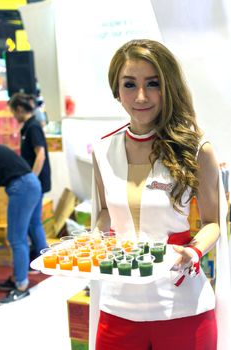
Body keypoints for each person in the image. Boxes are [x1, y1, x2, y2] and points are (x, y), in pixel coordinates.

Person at [92, 39, 230, 350]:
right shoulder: (102, 150)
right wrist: (92, 241)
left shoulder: (196, 149)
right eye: (130, 84)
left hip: (181, 304)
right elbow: (105, 213)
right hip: (119, 306)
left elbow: (213, 222)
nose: (141, 96)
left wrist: (192, 252)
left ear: (168, 87)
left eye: (152, 84)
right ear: (117, 90)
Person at [0, 145, 47, 304]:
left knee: (16, 238)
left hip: (22, 186)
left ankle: (21, 286)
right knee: (34, 226)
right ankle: (34, 268)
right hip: (32, 183)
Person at [8, 92, 51, 262]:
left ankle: (42, 254)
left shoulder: (33, 127)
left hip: (36, 181)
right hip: (35, 181)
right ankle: (43, 254)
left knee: (34, 222)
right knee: (34, 221)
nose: (13, 116)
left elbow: (40, 155)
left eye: (13, 112)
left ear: (19, 109)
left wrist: (32, 179)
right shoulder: (28, 126)